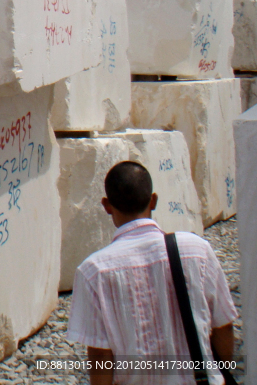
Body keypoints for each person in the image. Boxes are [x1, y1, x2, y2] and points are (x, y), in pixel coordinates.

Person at [67, 160, 237, 385]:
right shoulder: (197, 249)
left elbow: (100, 355)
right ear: (153, 200)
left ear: (107, 206)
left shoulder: (94, 271)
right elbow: (223, 325)